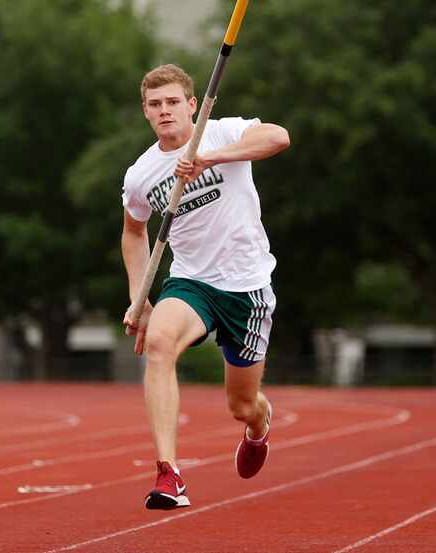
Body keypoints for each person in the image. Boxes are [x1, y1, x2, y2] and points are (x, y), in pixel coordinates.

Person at [120, 64, 290, 510]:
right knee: (158, 343)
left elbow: (279, 137)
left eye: (173, 102)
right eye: (155, 105)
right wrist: (140, 298)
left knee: (241, 404)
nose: (165, 111)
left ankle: (259, 424)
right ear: (145, 112)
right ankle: (168, 474)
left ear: (192, 104)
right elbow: (134, 233)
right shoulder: (141, 174)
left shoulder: (222, 133)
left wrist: (212, 159)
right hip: (192, 282)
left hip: (248, 287)